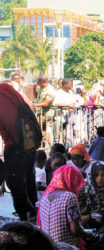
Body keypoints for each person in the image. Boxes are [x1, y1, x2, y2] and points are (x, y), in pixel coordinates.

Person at [0, 83, 39, 221]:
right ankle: (33, 209)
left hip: (16, 144)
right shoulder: (6, 89)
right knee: (28, 175)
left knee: (15, 180)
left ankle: (26, 212)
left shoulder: (2, 95)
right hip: (30, 139)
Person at [37, 165, 94, 248]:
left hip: (48, 246)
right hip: (65, 247)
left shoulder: (45, 198)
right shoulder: (69, 197)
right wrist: (88, 233)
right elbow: (75, 230)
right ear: (72, 180)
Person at [78, 162, 104, 248]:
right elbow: (78, 218)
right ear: (91, 175)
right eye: (96, 175)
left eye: (103, 175)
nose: (100, 178)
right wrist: (90, 216)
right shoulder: (83, 188)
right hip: (86, 230)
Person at [33, 75, 56, 144]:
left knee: (42, 131)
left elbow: (46, 103)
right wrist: (34, 89)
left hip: (46, 114)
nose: (37, 83)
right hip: (40, 113)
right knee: (41, 131)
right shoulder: (42, 88)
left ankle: (50, 146)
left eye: (38, 82)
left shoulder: (50, 90)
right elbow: (36, 97)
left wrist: (35, 105)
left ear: (42, 82)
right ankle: (41, 146)